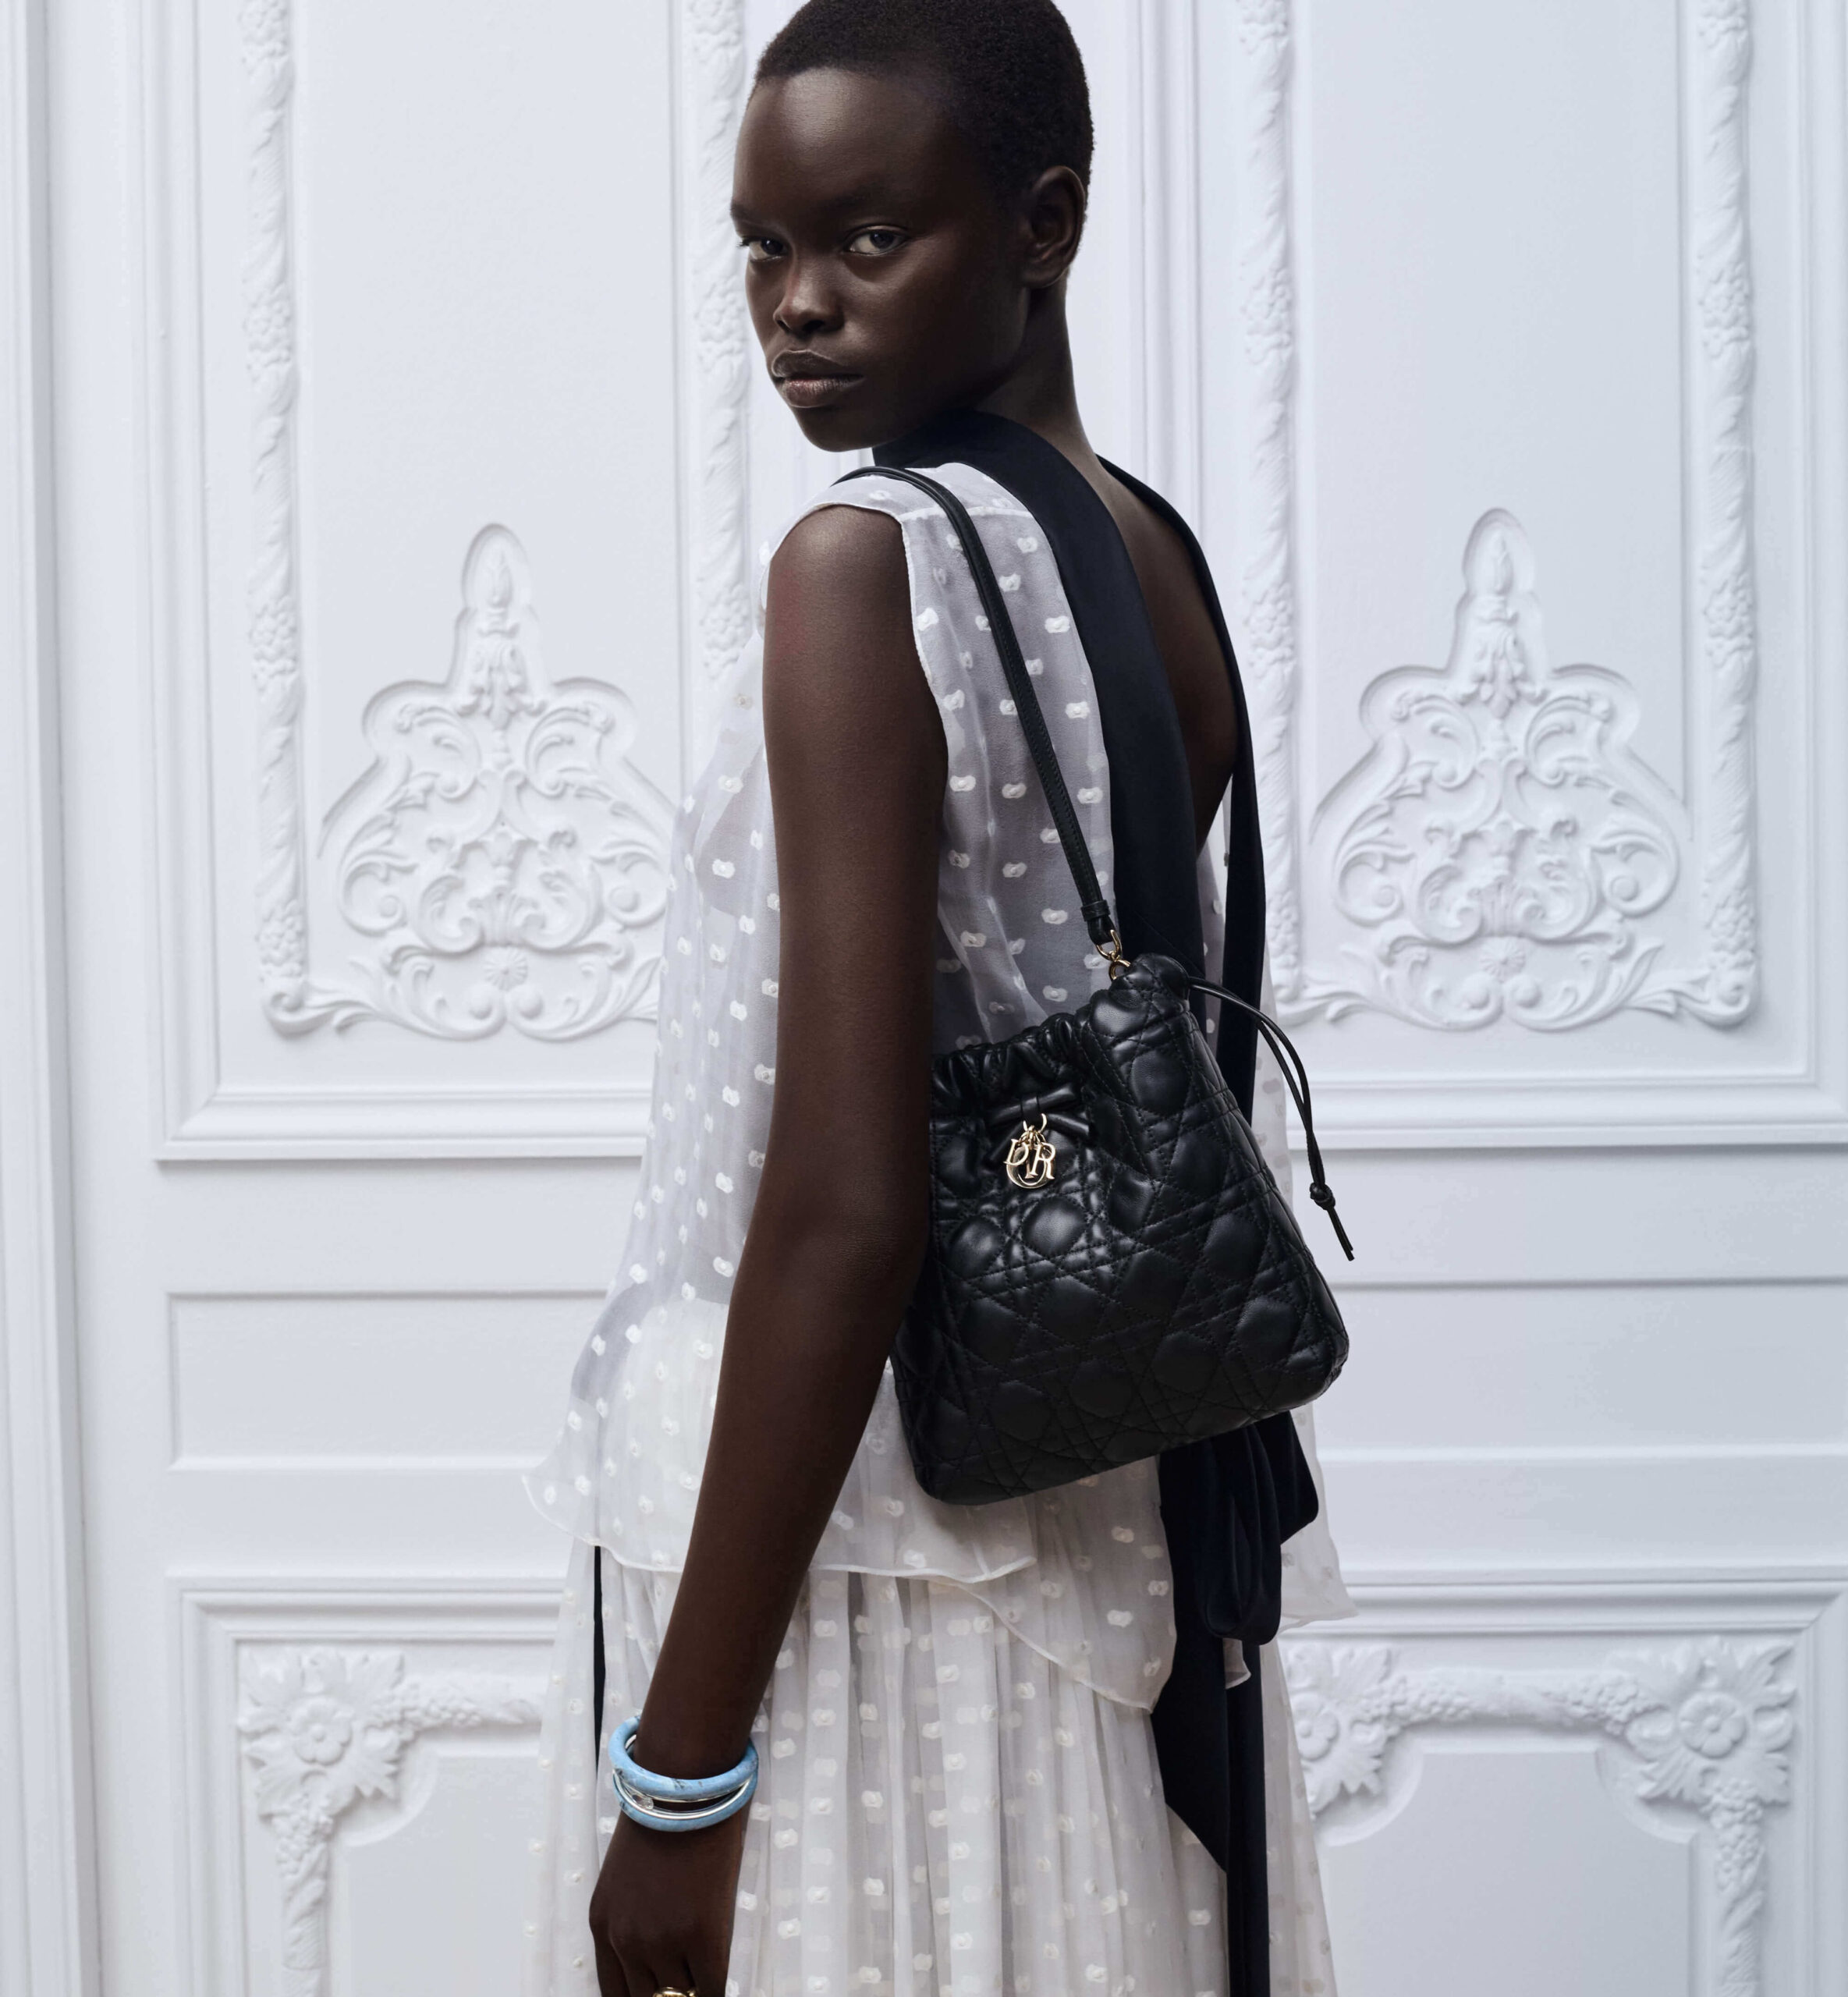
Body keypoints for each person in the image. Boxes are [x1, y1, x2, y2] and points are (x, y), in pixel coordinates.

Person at [523, 4, 1353, 1993]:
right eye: (762, 246)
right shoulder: (1148, 553)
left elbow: (846, 1211)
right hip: (1102, 1544)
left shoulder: (858, 567)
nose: (796, 306)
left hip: (857, 1573)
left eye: (868, 238)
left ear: (1043, 223)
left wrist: (683, 1769)